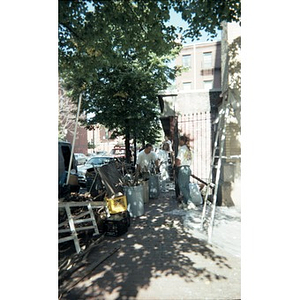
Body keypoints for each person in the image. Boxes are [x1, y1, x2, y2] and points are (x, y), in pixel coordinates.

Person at [175, 135, 194, 209]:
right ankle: (186, 202)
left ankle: (189, 201)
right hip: (188, 168)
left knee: (181, 185)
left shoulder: (182, 149)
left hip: (183, 168)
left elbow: (178, 159)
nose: (179, 142)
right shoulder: (188, 149)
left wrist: (176, 165)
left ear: (182, 141)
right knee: (186, 186)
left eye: (180, 140)